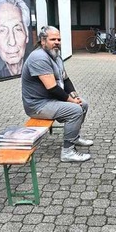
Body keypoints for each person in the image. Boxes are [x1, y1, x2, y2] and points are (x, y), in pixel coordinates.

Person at [21, 26, 93, 163]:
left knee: (83, 103)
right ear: (43, 41)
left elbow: (65, 79)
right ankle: (67, 152)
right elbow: (52, 88)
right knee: (76, 110)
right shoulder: (38, 58)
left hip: (51, 100)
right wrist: (71, 102)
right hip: (37, 105)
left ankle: (74, 137)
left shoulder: (56, 55)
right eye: (52, 39)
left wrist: (74, 96)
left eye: (58, 39)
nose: (57, 42)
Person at [0, 0, 31, 78]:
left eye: (18, 29)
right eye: (2, 30)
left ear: (27, 34)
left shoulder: (36, 66)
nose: (12, 41)